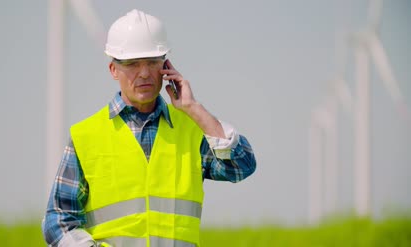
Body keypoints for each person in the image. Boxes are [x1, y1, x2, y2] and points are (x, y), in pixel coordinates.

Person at [42, 9, 256, 247]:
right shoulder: (86, 136)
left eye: (152, 62)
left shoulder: (191, 130)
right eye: (132, 64)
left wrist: (194, 108)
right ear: (113, 70)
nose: (144, 73)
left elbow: (242, 166)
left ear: (165, 66)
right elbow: (58, 220)